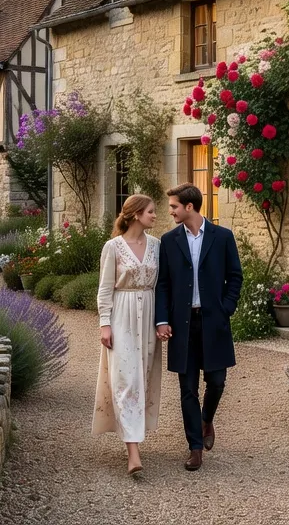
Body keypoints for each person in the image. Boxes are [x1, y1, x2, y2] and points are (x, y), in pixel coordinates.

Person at [155, 183, 243, 471]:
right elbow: (163, 284)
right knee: (187, 388)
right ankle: (195, 447)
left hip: (213, 321)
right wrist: (163, 319)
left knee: (217, 381)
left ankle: (206, 420)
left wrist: (225, 308)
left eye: (174, 207)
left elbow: (235, 276)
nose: (171, 211)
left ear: (189, 207)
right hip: (182, 324)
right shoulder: (168, 241)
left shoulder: (222, 237)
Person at [93, 194, 163, 476]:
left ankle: (133, 438)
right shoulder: (112, 247)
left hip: (147, 313)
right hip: (122, 314)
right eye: (150, 211)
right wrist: (105, 324)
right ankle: (133, 453)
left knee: (142, 376)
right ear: (135, 214)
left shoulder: (157, 246)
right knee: (126, 379)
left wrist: (162, 321)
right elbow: (104, 288)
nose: (155, 216)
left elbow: (162, 286)